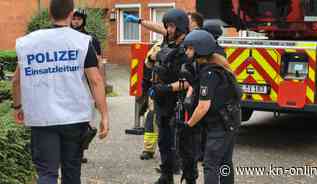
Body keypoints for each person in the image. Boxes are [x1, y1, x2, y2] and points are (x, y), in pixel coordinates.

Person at [12, 0, 109, 183]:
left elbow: (17, 80)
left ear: (50, 14)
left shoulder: (29, 42)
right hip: (74, 118)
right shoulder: (81, 42)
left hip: (42, 118)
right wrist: (104, 115)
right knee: (71, 171)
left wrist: (18, 107)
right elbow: (96, 80)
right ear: (72, 14)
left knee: (47, 173)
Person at [125, 9, 201, 184]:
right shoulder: (168, 41)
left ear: (181, 27)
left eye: (171, 26)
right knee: (164, 141)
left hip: (181, 102)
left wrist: (165, 89)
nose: (168, 29)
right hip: (163, 102)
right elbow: (157, 29)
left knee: (185, 144)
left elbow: (189, 81)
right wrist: (152, 61)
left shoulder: (188, 48)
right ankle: (166, 175)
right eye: (167, 26)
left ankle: (190, 178)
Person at [181, 30, 242, 184]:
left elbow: (203, 106)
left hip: (220, 125)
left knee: (210, 164)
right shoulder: (213, 67)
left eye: (189, 48)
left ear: (200, 50)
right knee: (225, 162)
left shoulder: (209, 74)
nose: (186, 51)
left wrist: (189, 126)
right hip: (230, 122)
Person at [71, 8, 103, 163]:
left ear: (83, 20)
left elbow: (98, 61)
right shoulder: (66, 37)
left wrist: (99, 84)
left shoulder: (91, 38)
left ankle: (80, 150)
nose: (76, 21)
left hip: (87, 81)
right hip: (70, 81)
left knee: (85, 117)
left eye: (79, 18)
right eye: (74, 18)